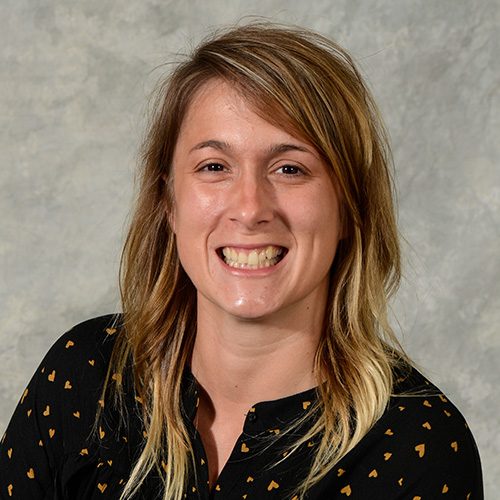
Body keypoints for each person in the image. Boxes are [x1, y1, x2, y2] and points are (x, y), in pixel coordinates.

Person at [0, 22, 483, 500]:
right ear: (168, 201)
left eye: (289, 168)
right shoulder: (85, 374)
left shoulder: (420, 447)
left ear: (350, 208)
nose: (250, 208)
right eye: (215, 167)